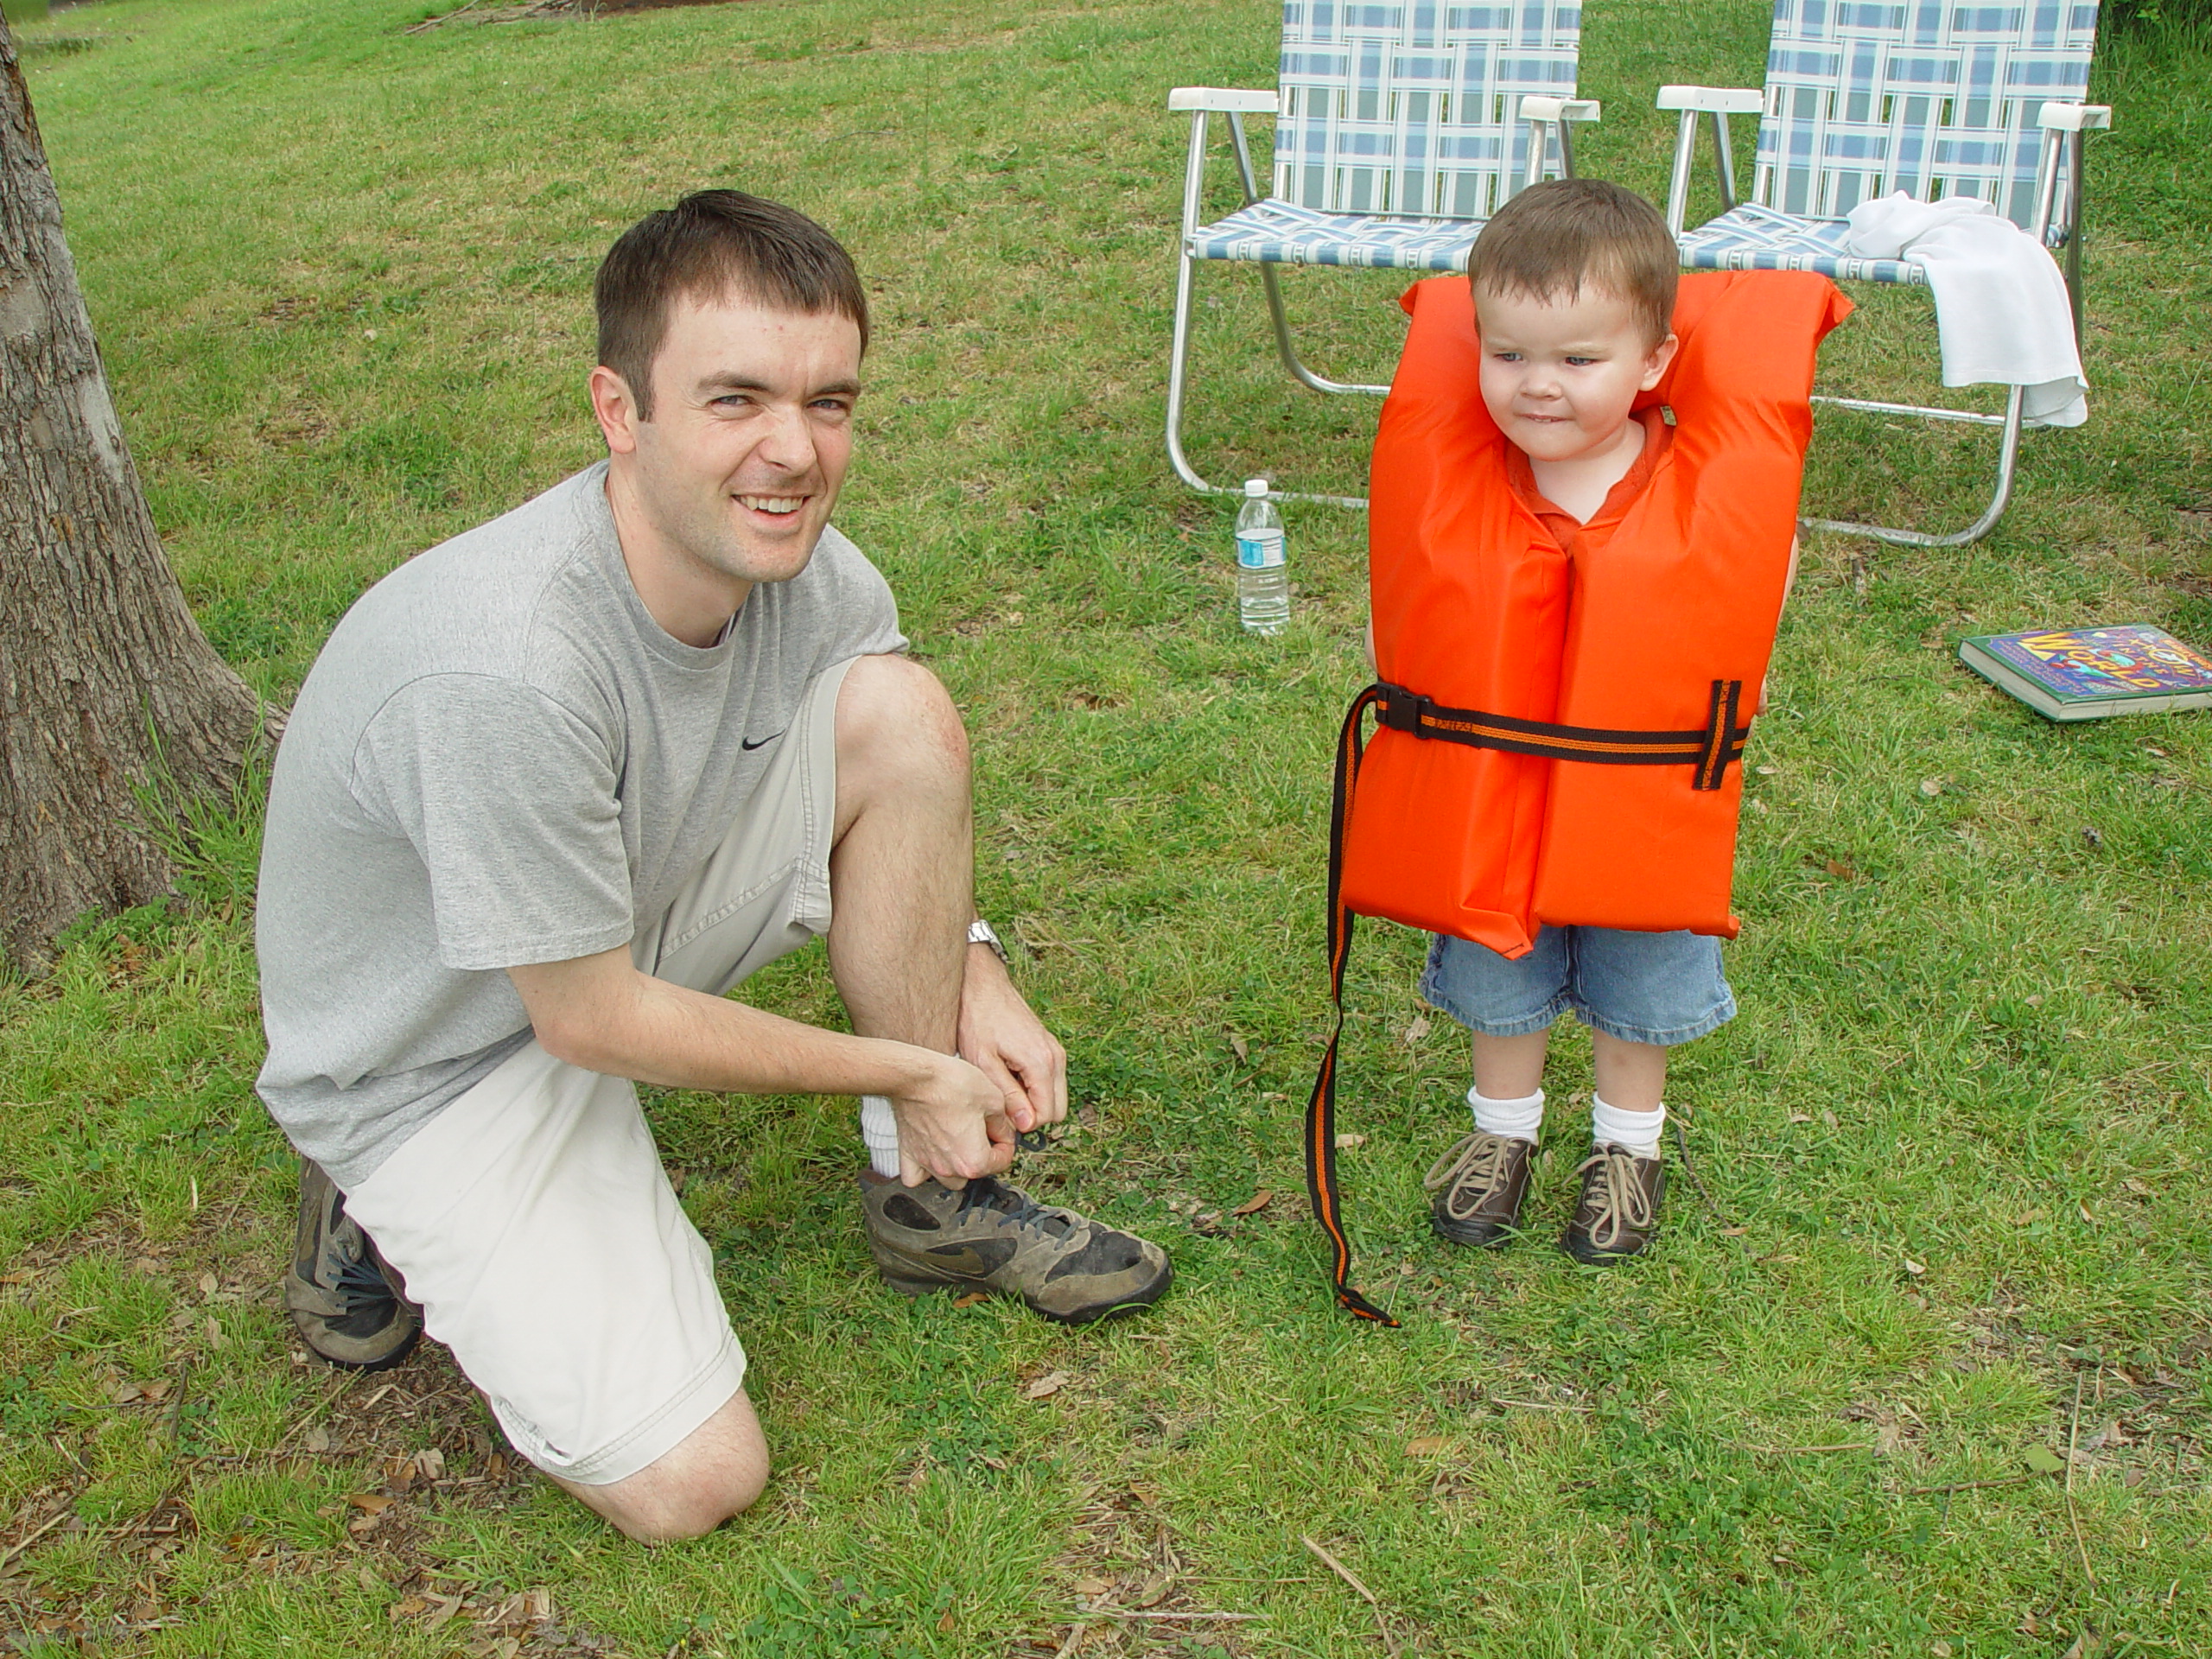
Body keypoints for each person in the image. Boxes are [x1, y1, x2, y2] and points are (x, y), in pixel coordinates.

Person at [253, 189, 1171, 1541]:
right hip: (443, 1053)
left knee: (898, 709)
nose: (794, 452)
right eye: (735, 399)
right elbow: (590, 1021)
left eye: (831, 403)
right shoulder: (502, 666)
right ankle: (372, 1199)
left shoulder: (809, 572)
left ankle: (932, 1197)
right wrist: (910, 1062)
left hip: (606, 921)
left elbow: (885, 786)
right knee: (693, 1486)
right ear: (619, 412)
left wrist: (975, 974)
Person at [1373, 181, 1801, 1266]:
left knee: (1638, 986)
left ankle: (1626, 1152)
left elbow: (1747, 600)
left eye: (1577, 360)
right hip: (1489, 792)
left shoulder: (1700, 488)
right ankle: (1501, 1136)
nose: (1538, 386)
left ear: (1654, 363)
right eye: (1509, 355)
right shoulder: (1458, 482)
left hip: (1637, 806)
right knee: (1493, 978)